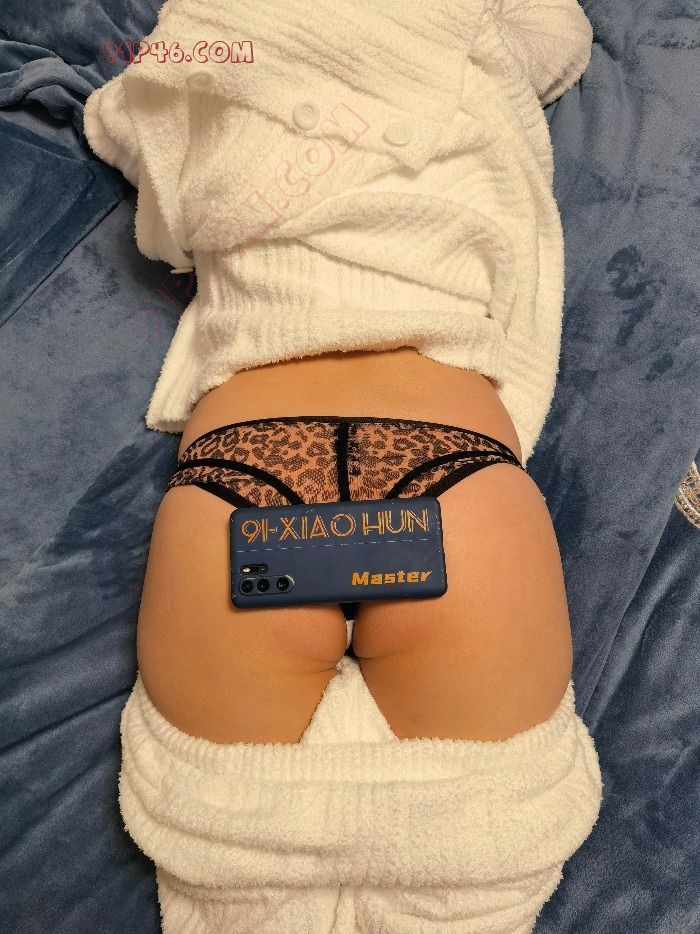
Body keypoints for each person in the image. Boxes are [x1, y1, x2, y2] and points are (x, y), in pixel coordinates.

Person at [84, 0, 604, 930]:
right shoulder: (469, 30)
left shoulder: (216, 29)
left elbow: (128, 125)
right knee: (469, 864)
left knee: (239, 869)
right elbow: (560, 43)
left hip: (252, 459)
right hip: (447, 460)